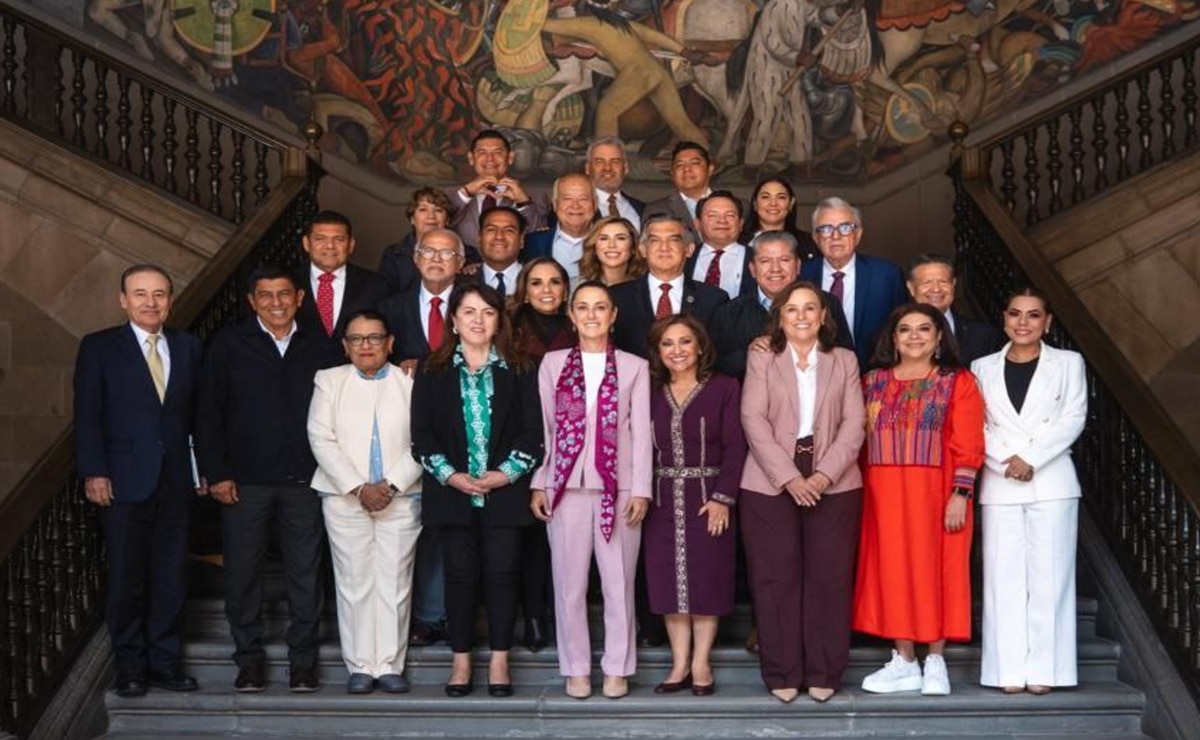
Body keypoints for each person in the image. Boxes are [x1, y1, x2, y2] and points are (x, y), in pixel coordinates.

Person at [195, 265, 329, 693]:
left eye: (284, 294)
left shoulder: (321, 347)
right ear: (252, 301)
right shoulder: (228, 345)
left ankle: (303, 663)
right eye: (266, 295)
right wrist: (217, 473)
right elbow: (208, 413)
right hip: (243, 483)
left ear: (299, 298)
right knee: (242, 575)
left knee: (305, 574)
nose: (276, 302)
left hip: (306, 482)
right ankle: (248, 660)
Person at [74, 264, 203, 698]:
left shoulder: (188, 347)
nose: (151, 302)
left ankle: (165, 663)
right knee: (128, 578)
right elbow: (88, 415)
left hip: (175, 482)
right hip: (123, 481)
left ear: (170, 300)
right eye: (141, 294)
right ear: (123, 299)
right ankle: (129, 667)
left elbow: (198, 417)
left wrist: (202, 468)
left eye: (160, 294)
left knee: (170, 576)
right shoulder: (99, 348)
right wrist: (95, 470)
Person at [411, 284, 544, 698]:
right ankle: (461, 659)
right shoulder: (432, 370)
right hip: (451, 492)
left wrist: (505, 474)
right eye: (468, 311)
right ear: (453, 319)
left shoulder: (521, 368)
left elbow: (533, 432)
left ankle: (501, 660)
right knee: (459, 576)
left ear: (498, 320)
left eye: (487, 312)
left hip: (504, 492)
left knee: (504, 575)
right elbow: (421, 436)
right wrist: (451, 475)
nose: (477, 320)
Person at [739, 282, 865, 704]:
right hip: (770, 480)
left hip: (835, 479)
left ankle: (825, 670)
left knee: (829, 578)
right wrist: (789, 477)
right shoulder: (762, 357)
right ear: (780, 317)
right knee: (776, 579)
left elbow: (854, 424)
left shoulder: (844, 359)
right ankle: (782, 670)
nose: (802, 316)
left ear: (824, 316)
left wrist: (825, 475)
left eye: (810, 308)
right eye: (792, 309)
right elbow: (752, 418)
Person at [853, 303, 985, 697]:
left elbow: (969, 443)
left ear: (939, 337)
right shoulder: (871, 382)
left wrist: (960, 494)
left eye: (924, 329)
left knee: (936, 571)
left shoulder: (956, 382)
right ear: (893, 338)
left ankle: (936, 662)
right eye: (905, 330)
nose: (914, 337)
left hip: (936, 494)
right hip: (882, 495)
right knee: (890, 571)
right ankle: (905, 660)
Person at [530, 281, 652, 700]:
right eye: (583, 307)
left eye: (601, 307)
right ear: (572, 314)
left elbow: (640, 432)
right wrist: (540, 483)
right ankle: (576, 667)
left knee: (619, 583)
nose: (592, 315)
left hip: (618, 488)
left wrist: (641, 489)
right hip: (564, 487)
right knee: (569, 585)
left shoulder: (635, 366)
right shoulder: (553, 363)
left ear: (613, 315)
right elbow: (545, 429)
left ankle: (618, 667)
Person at [972, 288, 1087, 695]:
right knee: (1002, 580)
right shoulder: (981, 367)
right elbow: (976, 425)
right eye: (1016, 314)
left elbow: (1073, 416)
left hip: (1052, 481)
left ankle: (1046, 671)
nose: (1023, 322)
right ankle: (1005, 671)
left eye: (1033, 315)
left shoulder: (1068, 363)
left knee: (1050, 578)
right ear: (1004, 319)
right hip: (1001, 480)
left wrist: (1032, 457)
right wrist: (1007, 459)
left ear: (1047, 322)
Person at [307, 311, 426, 694]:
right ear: (345, 346)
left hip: (401, 495)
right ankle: (360, 665)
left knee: (395, 581)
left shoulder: (409, 381)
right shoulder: (329, 380)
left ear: (390, 342)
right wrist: (359, 488)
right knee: (353, 581)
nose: (365, 346)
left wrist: (390, 484)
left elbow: (422, 438)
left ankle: (389, 664)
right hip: (345, 499)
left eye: (374, 338)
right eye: (356, 339)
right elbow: (320, 437)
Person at [644, 315, 746, 697]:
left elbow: (737, 446)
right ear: (658, 351)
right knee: (669, 583)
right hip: (660, 497)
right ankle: (679, 663)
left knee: (707, 580)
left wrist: (723, 498)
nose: (677, 351)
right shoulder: (650, 391)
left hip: (708, 494)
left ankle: (702, 662)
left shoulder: (724, 387)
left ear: (700, 346)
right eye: (668, 344)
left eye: (685, 342)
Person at [377, 227, 465, 647]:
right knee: (416, 522)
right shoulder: (390, 308)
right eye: (428, 251)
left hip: (465, 428)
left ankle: (447, 613)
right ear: (415, 258)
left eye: (446, 253)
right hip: (402, 430)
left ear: (461, 263)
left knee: (450, 525)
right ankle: (424, 615)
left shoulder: (474, 305)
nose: (436, 258)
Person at [508, 256, 577, 651]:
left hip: (573, 443)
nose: (546, 289)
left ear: (566, 289)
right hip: (523, 438)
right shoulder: (509, 330)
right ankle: (534, 617)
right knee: (531, 538)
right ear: (525, 289)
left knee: (567, 539)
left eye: (554, 282)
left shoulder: (581, 324)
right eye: (536, 283)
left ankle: (566, 616)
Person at [710, 231, 852, 380]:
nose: (775, 269)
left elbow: (846, 360)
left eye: (784, 260)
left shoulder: (827, 303)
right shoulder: (730, 312)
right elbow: (716, 368)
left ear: (798, 266)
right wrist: (749, 354)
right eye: (765, 261)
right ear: (752, 269)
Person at [799, 197, 908, 369]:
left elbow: (904, 330)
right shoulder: (800, 275)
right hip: (813, 376)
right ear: (815, 238)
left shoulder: (887, 275)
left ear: (858, 235)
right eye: (826, 229)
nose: (836, 236)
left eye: (845, 228)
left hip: (874, 377)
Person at [610, 215, 728, 360]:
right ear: (642, 250)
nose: (664, 247)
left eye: (673, 240)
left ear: (689, 249)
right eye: (655, 241)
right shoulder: (617, 296)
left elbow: (717, 354)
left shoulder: (713, 299)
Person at [296, 210, 391, 365]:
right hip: (300, 377)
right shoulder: (289, 284)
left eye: (339, 239)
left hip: (358, 379)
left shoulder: (376, 285)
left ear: (351, 244)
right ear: (306, 243)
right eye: (320, 239)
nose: (330, 246)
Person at [446, 129, 546, 249]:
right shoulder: (453, 195)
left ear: (510, 158)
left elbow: (539, 240)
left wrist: (523, 203)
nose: (490, 158)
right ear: (471, 158)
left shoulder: (533, 197)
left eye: (498, 152)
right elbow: (439, 227)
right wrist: (466, 193)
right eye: (482, 152)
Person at [907, 253, 1002, 366]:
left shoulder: (984, 336)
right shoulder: (894, 335)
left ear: (953, 284)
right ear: (911, 288)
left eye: (943, 282)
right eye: (927, 282)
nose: (936, 289)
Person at [378, 187, 460, 296]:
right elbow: (386, 298)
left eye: (438, 210)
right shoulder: (393, 254)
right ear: (412, 218)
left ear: (448, 219)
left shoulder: (468, 253)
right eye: (423, 209)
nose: (431, 216)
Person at [522, 173, 598, 282]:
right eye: (567, 198)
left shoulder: (609, 244)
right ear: (555, 204)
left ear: (595, 204)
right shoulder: (531, 243)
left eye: (583, 199)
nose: (575, 205)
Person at [685, 190, 754, 299]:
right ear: (697, 224)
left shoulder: (756, 258)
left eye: (730, 215)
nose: (722, 221)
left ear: (741, 223)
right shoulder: (684, 258)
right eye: (712, 215)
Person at [739, 177, 818, 262]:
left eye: (781, 197)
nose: (773, 203)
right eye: (765, 197)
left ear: (791, 203)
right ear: (755, 203)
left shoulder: (808, 243)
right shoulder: (739, 242)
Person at [644, 141, 716, 227]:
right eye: (680, 164)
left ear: (710, 169)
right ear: (672, 173)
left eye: (694, 163)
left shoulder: (731, 205)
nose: (687, 169)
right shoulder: (656, 210)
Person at [586, 136, 646, 231]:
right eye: (599, 161)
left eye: (615, 161)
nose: (607, 168)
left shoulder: (642, 209)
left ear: (625, 168)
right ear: (588, 168)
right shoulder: (575, 208)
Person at [473, 206, 527, 303]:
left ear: (521, 240)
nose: (499, 237)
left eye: (509, 230)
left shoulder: (534, 279)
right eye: (491, 229)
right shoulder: (462, 282)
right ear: (479, 237)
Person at [579, 216, 646, 286]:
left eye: (621, 238)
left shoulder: (647, 287)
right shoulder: (576, 286)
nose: (612, 245)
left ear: (633, 247)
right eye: (604, 238)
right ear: (594, 247)